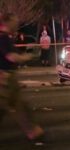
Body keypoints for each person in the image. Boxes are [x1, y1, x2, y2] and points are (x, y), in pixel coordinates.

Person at [0, 13, 44, 141]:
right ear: (7, 22)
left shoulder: (5, 37)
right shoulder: (3, 38)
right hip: (5, 79)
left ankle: (33, 131)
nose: (17, 24)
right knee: (14, 106)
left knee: (19, 106)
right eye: (15, 21)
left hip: (8, 78)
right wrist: (27, 57)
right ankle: (33, 132)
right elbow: (11, 57)